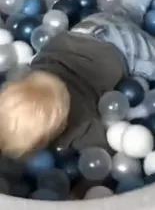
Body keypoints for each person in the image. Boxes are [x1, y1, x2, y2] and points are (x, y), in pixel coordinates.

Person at [0, 19, 127, 158]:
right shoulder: (34, 69)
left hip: (120, 47)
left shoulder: (80, 122)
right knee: (126, 11)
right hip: (84, 30)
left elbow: (100, 155)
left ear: (60, 126)